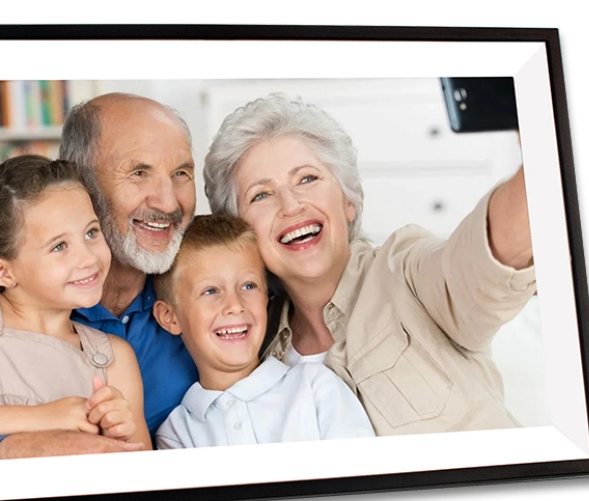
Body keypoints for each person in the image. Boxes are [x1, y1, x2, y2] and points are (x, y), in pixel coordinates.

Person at [203, 93, 536, 436]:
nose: (291, 205)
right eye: (261, 194)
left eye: (307, 179)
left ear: (348, 202)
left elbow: (484, 259)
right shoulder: (248, 344)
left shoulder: (404, 273)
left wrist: (542, 152)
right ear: (240, 234)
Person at [0, 93, 198, 462]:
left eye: (181, 173)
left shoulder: (192, 292)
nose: (168, 202)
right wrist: (10, 447)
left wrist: (121, 429)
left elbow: (139, 464)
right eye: (139, 172)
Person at [0, 155, 151, 453]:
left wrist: (120, 431)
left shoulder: (114, 357)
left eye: (91, 232)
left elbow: (140, 468)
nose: (88, 258)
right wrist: (42, 417)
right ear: (3, 271)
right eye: (59, 246)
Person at [152, 215, 375, 448]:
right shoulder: (177, 433)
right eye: (210, 291)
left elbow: (364, 479)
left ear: (266, 297)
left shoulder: (315, 386)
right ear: (170, 317)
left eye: (248, 286)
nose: (235, 305)